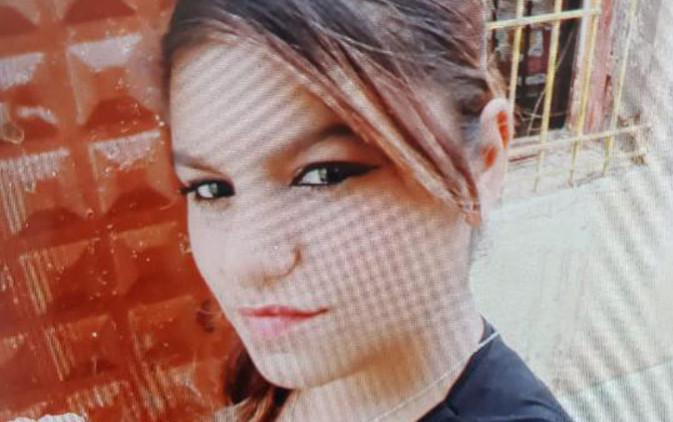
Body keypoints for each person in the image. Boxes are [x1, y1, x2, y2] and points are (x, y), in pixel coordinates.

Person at [163, 1, 574, 421]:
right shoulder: (290, 378)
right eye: (211, 189)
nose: (243, 263)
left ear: (483, 161)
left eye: (323, 175)